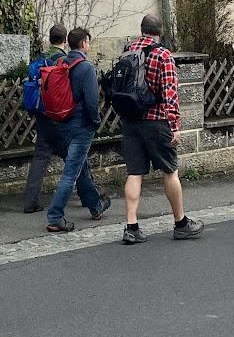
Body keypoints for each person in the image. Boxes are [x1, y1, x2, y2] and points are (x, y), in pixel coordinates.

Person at [118, 13, 204, 244]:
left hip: (130, 121)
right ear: (159, 31)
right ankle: (181, 223)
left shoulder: (127, 51)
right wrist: (174, 125)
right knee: (170, 171)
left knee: (134, 173)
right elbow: (170, 93)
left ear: (142, 29)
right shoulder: (163, 55)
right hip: (156, 122)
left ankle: (131, 226)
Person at [44, 27, 111, 233]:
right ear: (83, 44)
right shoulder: (86, 68)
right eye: (88, 42)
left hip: (63, 122)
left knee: (81, 167)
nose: (89, 46)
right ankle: (55, 216)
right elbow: (92, 101)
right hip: (82, 125)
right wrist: (95, 121)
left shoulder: (60, 62)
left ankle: (96, 206)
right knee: (71, 173)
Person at [21, 23, 69, 213]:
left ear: (49, 39)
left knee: (40, 157)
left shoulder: (40, 61)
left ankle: (30, 201)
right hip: (60, 117)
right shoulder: (65, 62)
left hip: (42, 115)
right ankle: (91, 197)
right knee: (74, 158)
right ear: (65, 40)